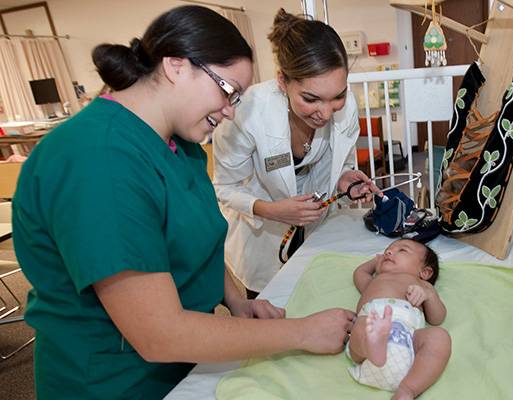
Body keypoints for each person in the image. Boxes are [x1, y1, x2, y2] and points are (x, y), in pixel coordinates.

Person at [11, 6, 355, 399]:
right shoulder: (98, 159)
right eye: (227, 92)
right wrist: (302, 332)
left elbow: (200, 239)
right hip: (115, 380)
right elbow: (160, 334)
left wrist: (237, 302)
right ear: (176, 66)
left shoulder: (180, 146)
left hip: (186, 365)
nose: (229, 111)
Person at [213, 8, 378, 298]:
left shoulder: (348, 106)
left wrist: (344, 178)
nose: (325, 113)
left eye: (337, 96)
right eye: (311, 99)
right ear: (282, 80)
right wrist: (271, 210)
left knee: (317, 294)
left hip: (317, 222)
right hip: (263, 231)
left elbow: (341, 160)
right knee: (270, 307)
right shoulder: (247, 112)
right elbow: (225, 188)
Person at [347, 239, 451, 400]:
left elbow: (438, 318)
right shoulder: (374, 281)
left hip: (408, 339)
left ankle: (408, 390)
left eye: (402, 250)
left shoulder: (423, 286)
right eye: (387, 250)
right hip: (371, 332)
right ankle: (372, 348)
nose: (389, 252)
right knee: (360, 325)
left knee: (439, 336)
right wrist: (377, 261)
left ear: (425, 272)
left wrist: (428, 296)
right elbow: (359, 273)